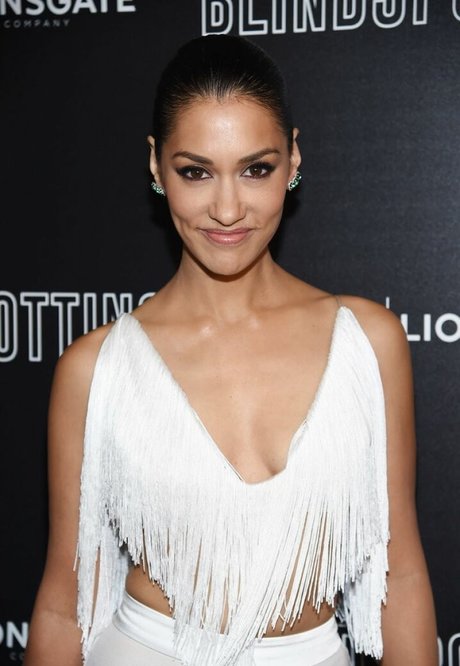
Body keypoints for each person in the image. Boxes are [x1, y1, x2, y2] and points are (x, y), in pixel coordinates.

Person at [24, 35, 438, 666]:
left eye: (255, 169)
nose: (226, 209)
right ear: (156, 166)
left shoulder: (367, 343)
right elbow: (64, 603)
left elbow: (399, 575)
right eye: (195, 172)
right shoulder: (97, 368)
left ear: (293, 158)